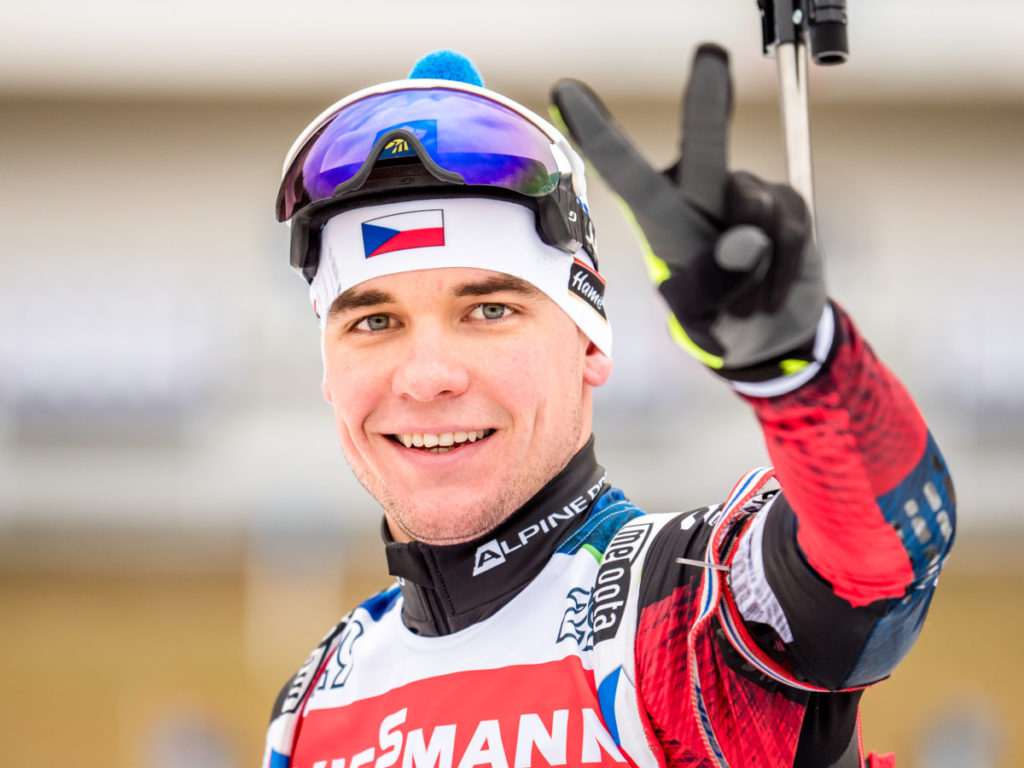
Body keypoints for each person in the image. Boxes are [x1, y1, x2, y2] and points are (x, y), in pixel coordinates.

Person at [262, 47, 955, 768]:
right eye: (374, 321)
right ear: (328, 368)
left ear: (590, 341)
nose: (427, 377)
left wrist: (805, 371)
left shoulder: (682, 617)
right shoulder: (314, 706)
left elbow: (881, 560)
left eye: (490, 310)